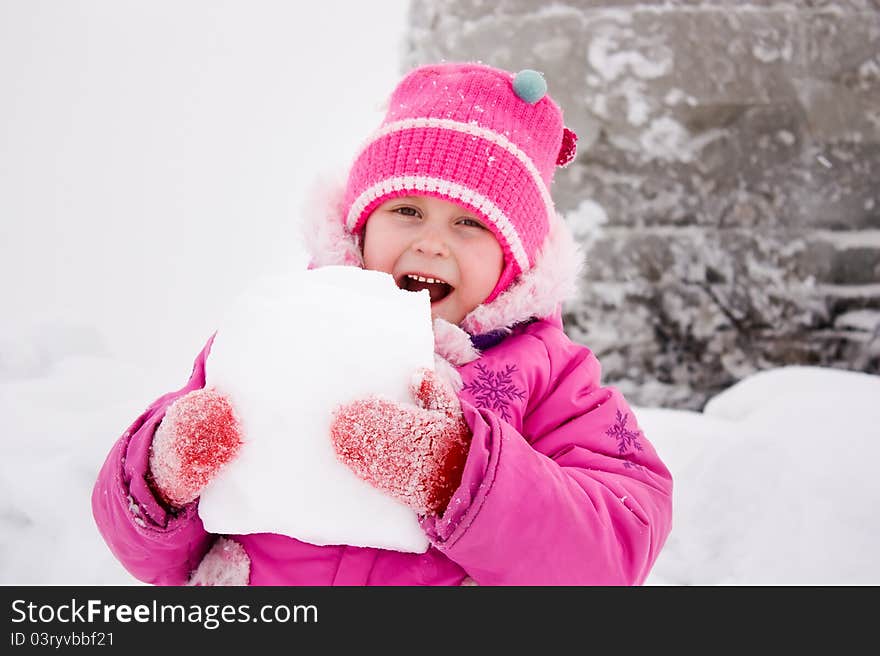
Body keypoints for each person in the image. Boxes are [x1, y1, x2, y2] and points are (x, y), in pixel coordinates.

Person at [92, 62, 673, 585]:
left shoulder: (550, 376)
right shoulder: (284, 331)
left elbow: (615, 547)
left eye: (470, 224)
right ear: (362, 227)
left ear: (513, 259)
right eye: (407, 211)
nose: (432, 242)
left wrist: (457, 477)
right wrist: (161, 476)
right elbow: (148, 555)